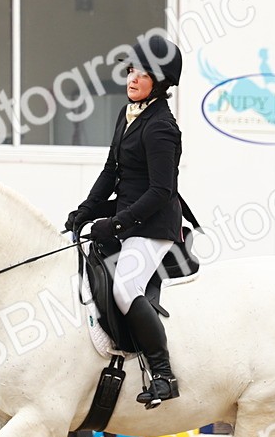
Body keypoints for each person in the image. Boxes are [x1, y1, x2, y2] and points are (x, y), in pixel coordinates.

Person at [65, 34, 191, 409]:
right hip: (128, 214)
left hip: (153, 225)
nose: (132, 78)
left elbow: (161, 191)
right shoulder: (127, 113)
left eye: (143, 73)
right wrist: (87, 209)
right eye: (131, 69)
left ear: (161, 81)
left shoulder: (161, 127)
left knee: (125, 289)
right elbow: (111, 170)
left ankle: (164, 374)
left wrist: (116, 224)